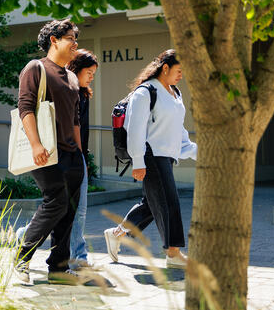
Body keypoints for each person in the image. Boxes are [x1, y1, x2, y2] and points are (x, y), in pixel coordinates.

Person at [103, 49, 197, 268]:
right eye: (179, 70)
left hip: (166, 157)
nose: (182, 75)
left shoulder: (175, 93)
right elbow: (134, 128)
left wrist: (193, 150)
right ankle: (173, 254)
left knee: (152, 204)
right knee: (168, 202)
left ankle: (117, 234)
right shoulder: (145, 92)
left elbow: (177, 129)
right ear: (165, 68)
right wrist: (138, 161)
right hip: (150, 155)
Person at [13, 19, 86, 285]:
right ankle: (21, 257)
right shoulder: (36, 68)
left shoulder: (72, 77)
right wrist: (35, 144)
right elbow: (25, 108)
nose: (75, 44)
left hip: (71, 154)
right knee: (56, 202)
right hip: (45, 152)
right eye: (70, 38)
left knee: (69, 209)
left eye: (76, 39)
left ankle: (58, 267)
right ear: (54, 40)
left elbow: (75, 118)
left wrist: (80, 152)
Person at [66, 49, 99, 268]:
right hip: (69, 157)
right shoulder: (69, 93)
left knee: (76, 209)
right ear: (76, 69)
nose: (91, 77)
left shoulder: (83, 93)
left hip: (79, 157)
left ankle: (79, 255)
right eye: (89, 72)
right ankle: (79, 256)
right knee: (67, 208)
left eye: (94, 74)